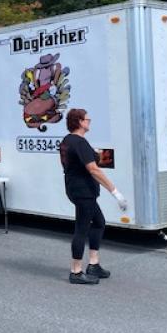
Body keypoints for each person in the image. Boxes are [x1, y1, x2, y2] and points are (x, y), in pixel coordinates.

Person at [59, 108, 128, 285]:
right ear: (80, 122)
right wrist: (115, 192)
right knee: (81, 229)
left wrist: (94, 154)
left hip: (76, 189)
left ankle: (93, 264)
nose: (89, 121)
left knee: (98, 223)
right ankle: (75, 272)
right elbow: (93, 170)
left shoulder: (68, 141)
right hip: (83, 192)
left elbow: (80, 161)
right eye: (87, 119)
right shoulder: (79, 143)